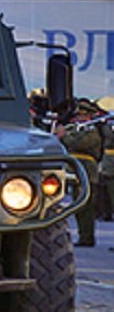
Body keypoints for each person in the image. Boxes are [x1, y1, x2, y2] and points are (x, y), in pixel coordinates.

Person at [56, 100, 103, 247]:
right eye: (78, 116)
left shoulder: (92, 131)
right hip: (77, 170)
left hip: (87, 171)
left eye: (83, 116)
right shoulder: (78, 129)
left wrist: (63, 135)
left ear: (89, 116)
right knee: (79, 206)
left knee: (86, 207)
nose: (79, 119)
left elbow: (78, 144)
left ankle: (87, 237)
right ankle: (84, 235)